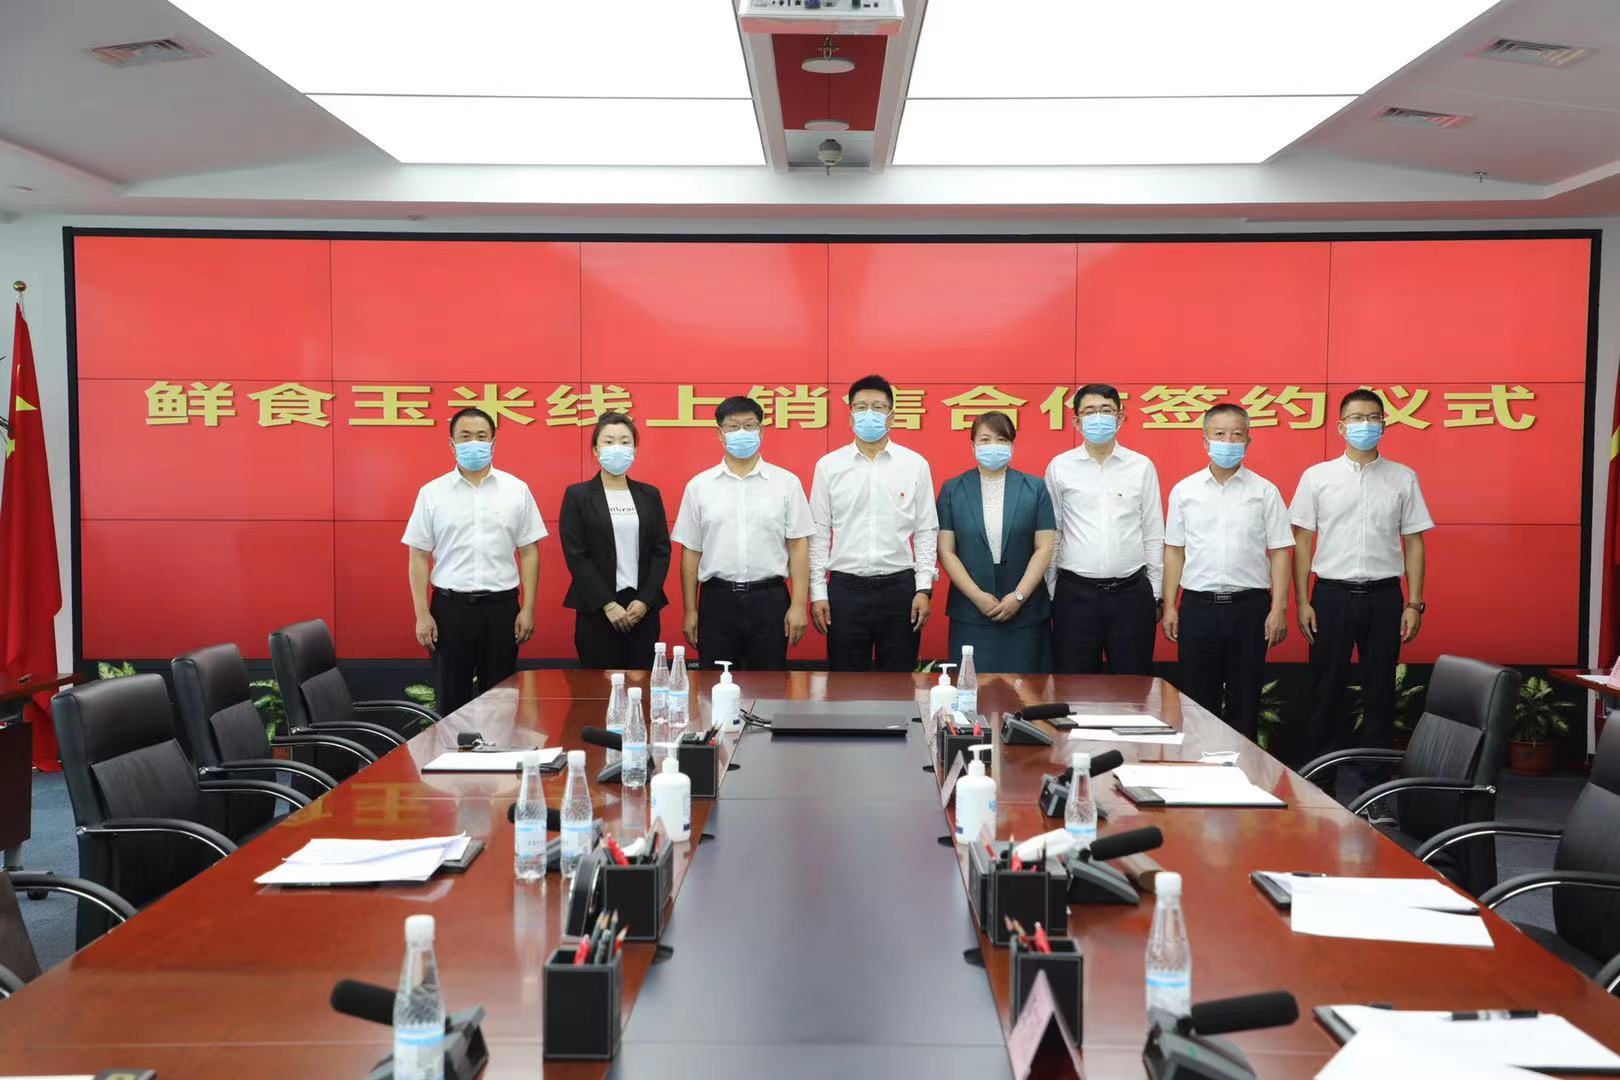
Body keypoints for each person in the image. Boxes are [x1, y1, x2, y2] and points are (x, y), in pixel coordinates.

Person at [1290, 388, 1433, 782]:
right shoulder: (1317, 477)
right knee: (1325, 690)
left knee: (1380, 691)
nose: (1365, 425)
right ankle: (1321, 783)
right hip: (1330, 596)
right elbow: (1303, 541)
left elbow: (1414, 542)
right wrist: (1302, 600)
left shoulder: (1403, 477)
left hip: (1384, 597)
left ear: (1384, 424)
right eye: (1356, 418)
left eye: (1373, 418)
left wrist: (1414, 603)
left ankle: (1376, 787)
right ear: (1341, 426)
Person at [1160, 403, 1293, 740]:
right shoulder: (1185, 490)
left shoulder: (1265, 492)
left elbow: (1280, 552)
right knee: (1196, 701)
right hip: (1198, 608)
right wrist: (1170, 605)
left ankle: (1242, 768)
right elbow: (1174, 551)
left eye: (1236, 434)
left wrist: (1279, 608)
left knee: (1244, 701)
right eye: (1219, 434)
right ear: (1205, 440)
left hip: (1249, 609)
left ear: (1248, 440)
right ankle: (1198, 765)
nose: (1228, 441)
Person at [404, 407, 544, 716]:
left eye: (481, 436)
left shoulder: (516, 490)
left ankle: (499, 750)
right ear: (452, 444)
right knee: (451, 704)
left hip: (502, 610)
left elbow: (529, 552)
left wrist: (528, 608)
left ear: (493, 442)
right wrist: (422, 614)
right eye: (465, 436)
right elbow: (418, 556)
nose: (473, 443)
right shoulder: (432, 493)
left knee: (502, 704)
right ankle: (451, 750)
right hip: (449, 612)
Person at [671, 396, 814, 670]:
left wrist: (798, 605)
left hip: (769, 599)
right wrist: (690, 610)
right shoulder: (699, 486)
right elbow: (691, 551)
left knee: (769, 685)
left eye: (749, 426)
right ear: (719, 433)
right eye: (733, 426)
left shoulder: (786, 483)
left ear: (762, 430)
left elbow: (798, 545)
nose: (742, 433)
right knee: (714, 685)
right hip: (717, 600)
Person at [809, 374, 939, 672]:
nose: (869, 413)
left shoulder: (914, 464)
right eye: (861, 407)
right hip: (845, 590)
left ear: (891, 415)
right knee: (845, 684)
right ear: (850, 415)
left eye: (878, 407)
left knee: (899, 683)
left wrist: (923, 588)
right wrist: (818, 592)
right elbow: (818, 533)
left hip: (900, 589)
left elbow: (925, 531)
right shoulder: (829, 466)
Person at [1043, 383, 1164, 675]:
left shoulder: (1141, 466)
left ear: (1120, 417)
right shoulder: (1060, 466)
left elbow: (1152, 532)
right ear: (1077, 421)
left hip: (1131, 595)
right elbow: (1053, 534)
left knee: (1133, 686)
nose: (1098, 417)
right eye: (1090, 411)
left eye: (1106, 410)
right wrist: (1052, 590)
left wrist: (1156, 593)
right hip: (1075, 596)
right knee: (1074, 686)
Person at [936, 411, 1056, 673]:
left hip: (1025, 614)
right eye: (985, 439)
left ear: (1012, 446)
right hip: (971, 612)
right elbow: (946, 551)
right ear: (973, 446)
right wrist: (977, 596)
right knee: (971, 690)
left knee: (1027, 692)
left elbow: (1045, 547)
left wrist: (1019, 596)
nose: (993, 446)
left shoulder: (1034, 488)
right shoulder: (953, 489)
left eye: (1001, 440)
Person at [559, 412, 671, 670]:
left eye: (624, 441)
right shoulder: (578, 495)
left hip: (641, 608)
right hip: (597, 608)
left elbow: (661, 552)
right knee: (598, 687)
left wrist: (645, 601)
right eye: (609, 441)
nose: (617, 447)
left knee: (642, 683)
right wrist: (607, 605)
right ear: (596, 450)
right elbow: (576, 555)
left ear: (634, 450)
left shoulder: (649, 495)